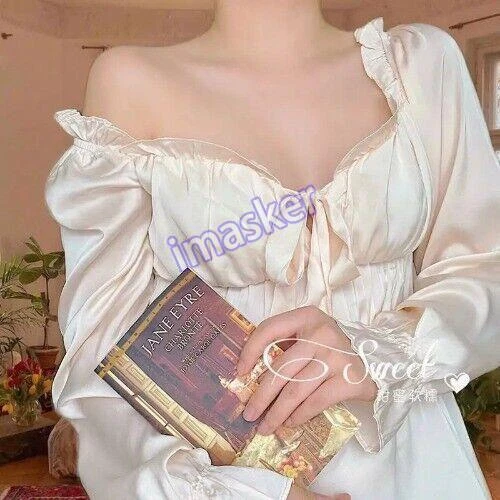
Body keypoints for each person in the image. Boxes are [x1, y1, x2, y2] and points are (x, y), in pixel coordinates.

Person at [44, 1, 500, 499]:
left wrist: (380, 352)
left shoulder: (421, 64)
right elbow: (101, 359)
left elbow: (485, 267)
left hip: (417, 463)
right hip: (229, 476)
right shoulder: (130, 81)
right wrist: (237, 492)